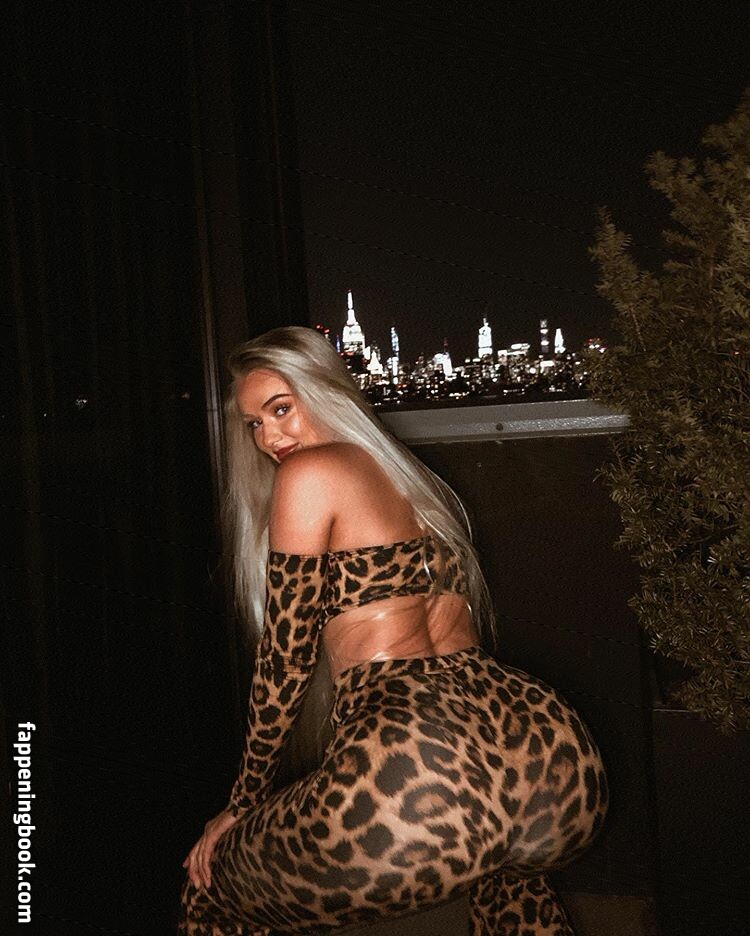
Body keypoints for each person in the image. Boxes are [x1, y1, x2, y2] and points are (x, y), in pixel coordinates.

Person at [179, 326, 608, 935]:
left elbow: (286, 661)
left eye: (281, 409)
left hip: (420, 752)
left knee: (211, 888)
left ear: (324, 393)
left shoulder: (310, 474)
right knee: (510, 895)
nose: (270, 438)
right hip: (544, 753)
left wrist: (240, 805)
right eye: (254, 424)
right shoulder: (412, 482)